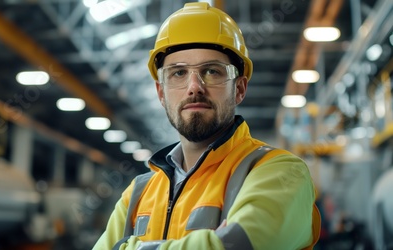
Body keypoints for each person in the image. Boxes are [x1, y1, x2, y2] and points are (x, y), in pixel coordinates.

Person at [94, 2, 321, 249]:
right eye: (178, 73)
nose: (194, 86)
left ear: (240, 88)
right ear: (161, 93)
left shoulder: (280, 172)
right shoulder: (137, 195)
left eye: (212, 71)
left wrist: (132, 247)